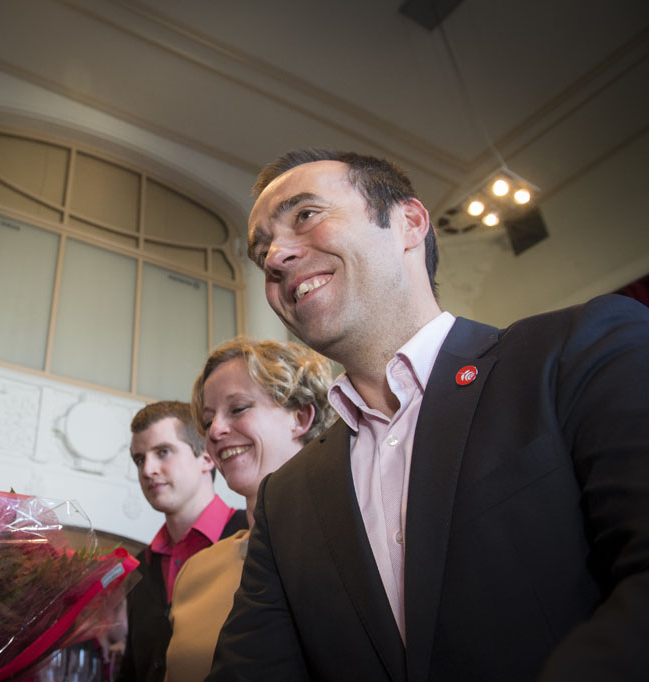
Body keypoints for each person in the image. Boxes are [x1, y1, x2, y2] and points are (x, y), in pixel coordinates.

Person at [207, 149, 649, 681]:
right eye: (262, 253)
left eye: (305, 216)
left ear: (409, 222)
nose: (275, 256)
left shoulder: (578, 351)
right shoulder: (286, 500)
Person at [165, 338, 334, 682]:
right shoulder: (196, 572)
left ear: (300, 418)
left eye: (239, 408)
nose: (214, 431)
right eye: (208, 419)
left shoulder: (347, 553)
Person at [117, 401, 247, 682]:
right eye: (139, 459)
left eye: (163, 452)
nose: (147, 469)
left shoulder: (255, 538)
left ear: (207, 458)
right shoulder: (140, 565)